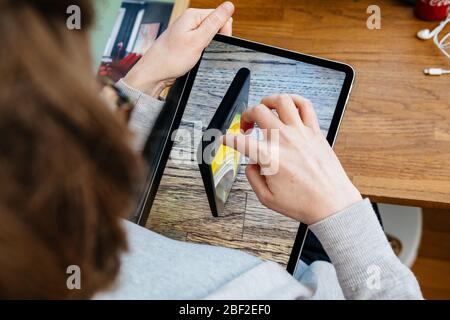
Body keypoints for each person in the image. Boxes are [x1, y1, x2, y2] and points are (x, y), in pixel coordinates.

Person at [0, 0, 422, 299]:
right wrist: (340, 210)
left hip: (193, 249)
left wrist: (144, 80)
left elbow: (75, 186)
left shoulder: (32, 222)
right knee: (339, 171)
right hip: (317, 278)